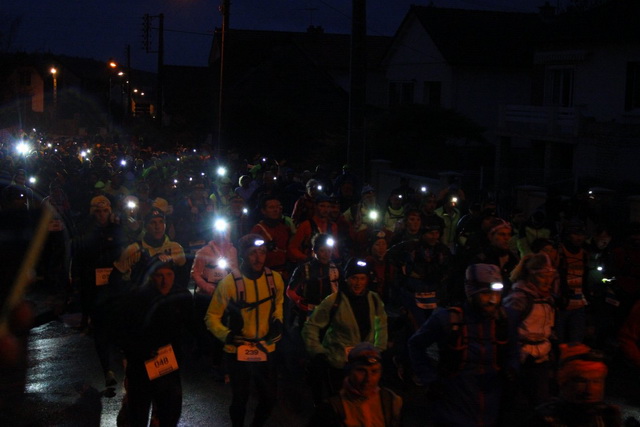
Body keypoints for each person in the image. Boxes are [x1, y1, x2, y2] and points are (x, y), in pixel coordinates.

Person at [408, 263, 519, 427]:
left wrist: (512, 368)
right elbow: (416, 344)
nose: (492, 300)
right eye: (485, 293)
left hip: (493, 403)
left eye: (496, 293)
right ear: (471, 293)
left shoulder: (506, 319)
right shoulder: (447, 319)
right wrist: (430, 379)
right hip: (454, 404)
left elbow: (513, 349)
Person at [205, 234, 285, 427]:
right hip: (238, 351)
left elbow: (278, 304)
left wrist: (278, 322)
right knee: (240, 400)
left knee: (269, 399)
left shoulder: (275, 280)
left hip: (265, 348)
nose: (258, 258)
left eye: (262, 252)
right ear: (243, 255)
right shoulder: (229, 283)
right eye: (253, 253)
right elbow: (211, 316)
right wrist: (227, 335)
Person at [114, 260, 193, 427]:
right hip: (141, 366)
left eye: (169, 275)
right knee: (138, 414)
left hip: (169, 366)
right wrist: (139, 350)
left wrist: (184, 352)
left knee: (169, 413)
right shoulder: (137, 298)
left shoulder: (182, 296)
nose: (165, 281)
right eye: (160, 276)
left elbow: (191, 328)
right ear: (151, 277)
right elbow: (122, 331)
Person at [301, 258, 388, 404]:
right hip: (339, 364)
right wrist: (318, 352)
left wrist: (379, 350)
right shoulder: (334, 301)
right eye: (354, 278)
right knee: (341, 404)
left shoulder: (374, 299)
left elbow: (381, 325)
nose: (358, 283)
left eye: (362, 278)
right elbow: (311, 326)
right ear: (346, 279)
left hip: (364, 364)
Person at [71, 195, 126, 386]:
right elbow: (79, 255)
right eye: (98, 211)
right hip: (93, 286)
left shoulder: (116, 228)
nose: (102, 215)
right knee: (100, 329)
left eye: (105, 211)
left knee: (120, 326)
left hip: (115, 285)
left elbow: (123, 248)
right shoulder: (85, 229)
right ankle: (107, 369)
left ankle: (124, 365)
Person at [503, 253, 556, 410]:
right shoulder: (518, 299)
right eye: (542, 276)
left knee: (540, 403)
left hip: (541, 358)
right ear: (530, 275)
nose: (548, 281)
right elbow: (507, 329)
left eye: (550, 276)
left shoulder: (547, 298)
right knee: (518, 404)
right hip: (523, 359)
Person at [309, 342, 403, 427]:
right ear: (349, 371)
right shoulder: (331, 409)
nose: (368, 378)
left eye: (374, 371)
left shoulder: (392, 402)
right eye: (361, 370)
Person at [530, 342, 623, 426]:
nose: (589, 390)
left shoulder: (607, 416)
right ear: (564, 383)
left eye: (596, 381)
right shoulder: (545, 418)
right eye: (581, 382)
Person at [111, 207, 186, 291]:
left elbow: (182, 277)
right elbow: (115, 279)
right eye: (153, 223)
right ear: (146, 226)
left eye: (161, 222)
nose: (158, 227)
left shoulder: (175, 248)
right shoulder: (134, 250)